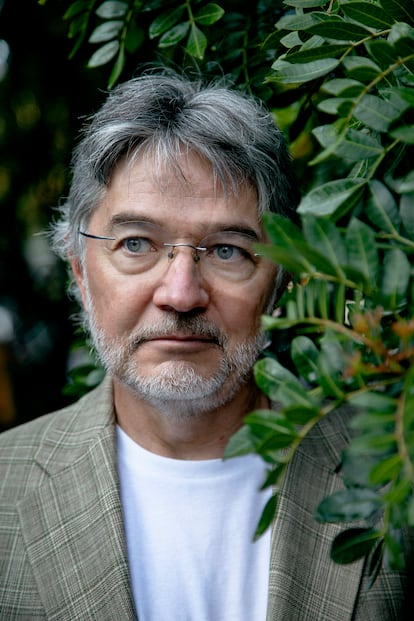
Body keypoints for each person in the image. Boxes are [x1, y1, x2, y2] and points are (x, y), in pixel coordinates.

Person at [0, 70, 411, 621]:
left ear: (281, 278)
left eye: (226, 251)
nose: (181, 293)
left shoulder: (393, 474)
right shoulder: (6, 486)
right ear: (79, 270)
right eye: (137, 243)